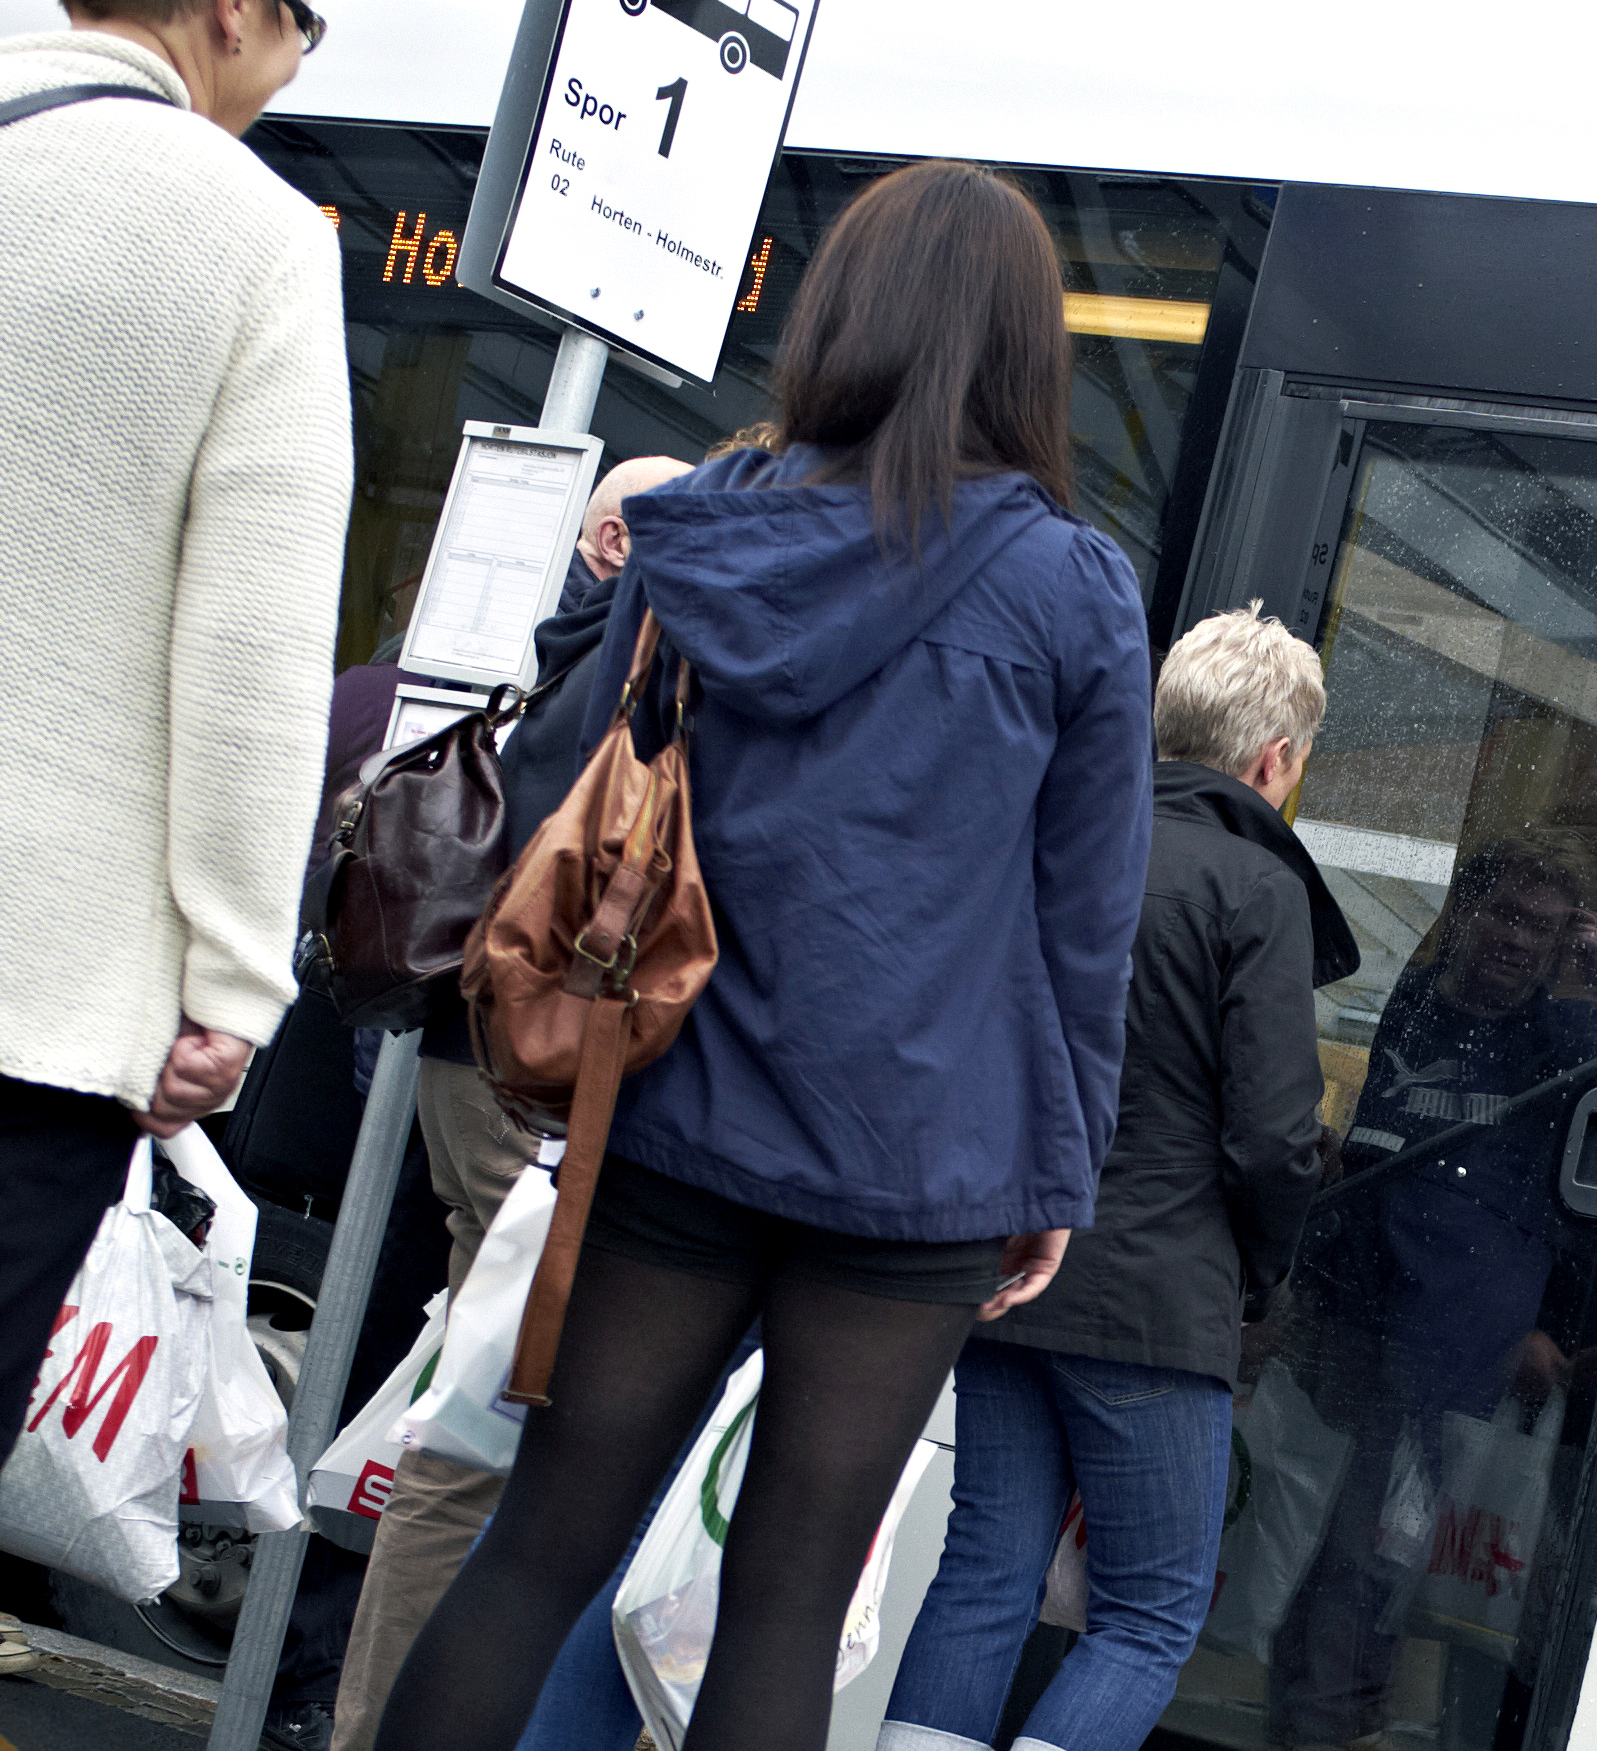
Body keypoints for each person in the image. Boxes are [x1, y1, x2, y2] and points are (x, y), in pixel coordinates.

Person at [374, 159, 1154, 1751]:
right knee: (787, 1599)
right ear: (1026, 353)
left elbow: (563, 782)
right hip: (919, 1166)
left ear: (837, 316)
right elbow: (1087, 923)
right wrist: (1056, 1172)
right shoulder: (1074, 587)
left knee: (539, 1542)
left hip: (675, 1113)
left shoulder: (701, 529)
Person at [880, 604, 1359, 1751]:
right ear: (1276, 758)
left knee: (984, 1570)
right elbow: (1272, 1137)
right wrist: (1261, 1277)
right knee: (1147, 1616)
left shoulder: (1057, 841)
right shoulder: (1259, 887)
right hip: (1157, 1304)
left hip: (1005, 1272)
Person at [0, 0, 346, 1466]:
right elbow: (252, 651)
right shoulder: (253, 233)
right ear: (234, 13)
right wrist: (231, 984)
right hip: (38, 986)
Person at [328, 453, 690, 1751]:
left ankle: (383, 1720)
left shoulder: (567, 662)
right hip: (532, 1095)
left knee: (481, 1426)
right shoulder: (626, 683)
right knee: (499, 1440)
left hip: (479, 1073)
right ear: (617, 544)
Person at [1269, 840, 1597, 1748]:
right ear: (1465, 912)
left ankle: (1327, 1719)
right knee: (1301, 1519)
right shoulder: (1414, 1002)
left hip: (1455, 1348)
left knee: (1377, 1547)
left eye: (1543, 930)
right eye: (1506, 914)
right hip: (1350, 1309)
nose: (1518, 941)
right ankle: (1313, 1704)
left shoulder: (1567, 1040)